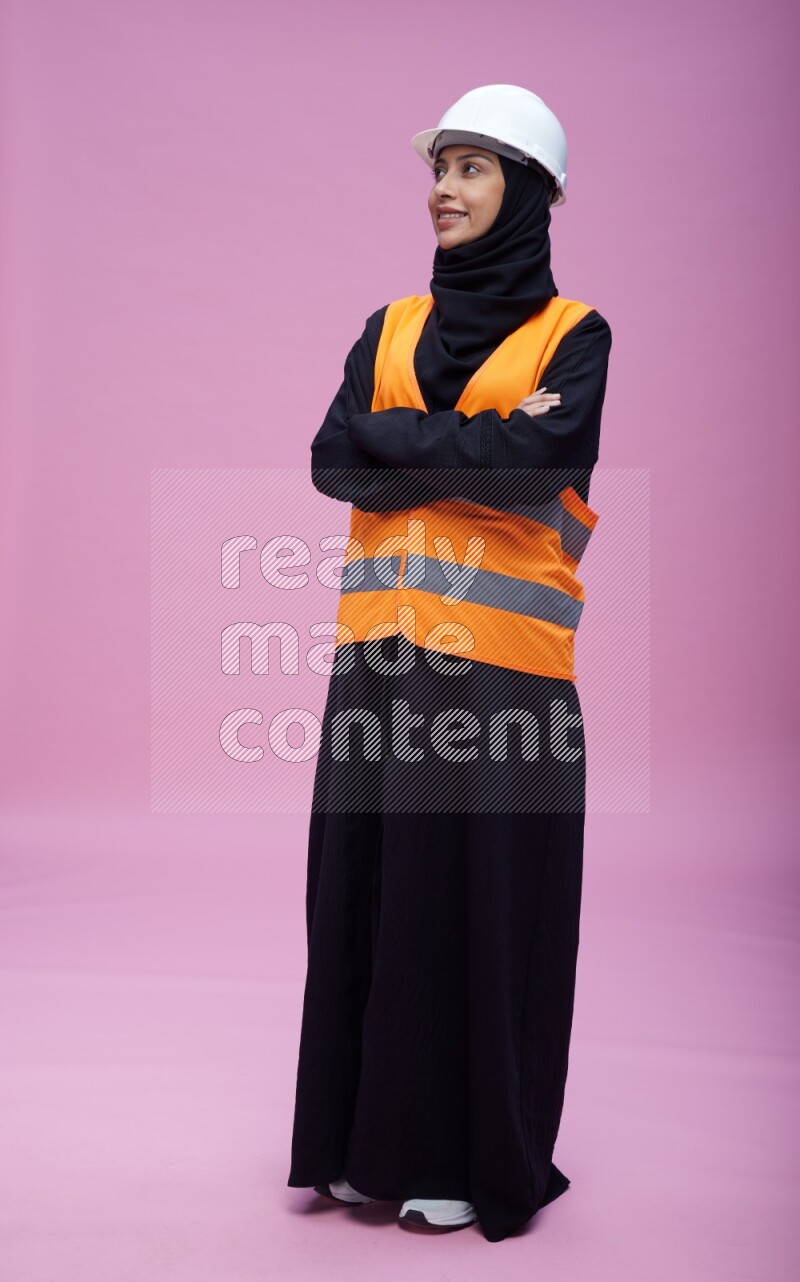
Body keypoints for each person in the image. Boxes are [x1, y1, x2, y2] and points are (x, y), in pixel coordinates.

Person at [287, 84, 612, 1242]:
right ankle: (356, 1150)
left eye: (473, 168)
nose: (443, 188)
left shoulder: (572, 335)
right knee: (367, 897)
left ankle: (471, 1159)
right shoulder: (385, 326)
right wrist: (477, 442)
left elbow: (538, 465)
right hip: (377, 664)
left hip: (505, 678)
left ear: (524, 191)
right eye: (441, 167)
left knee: (479, 913)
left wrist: (401, 440)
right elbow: (333, 462)